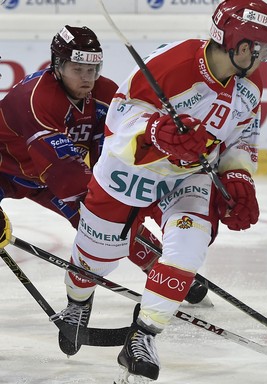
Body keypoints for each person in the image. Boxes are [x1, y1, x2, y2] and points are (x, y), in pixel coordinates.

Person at [53, 1, 267, 382]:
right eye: (258, 48)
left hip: (189, 176)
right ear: (237, 43)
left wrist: (239, 177)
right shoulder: (173, 64)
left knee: (188, 248)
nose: (262, 56)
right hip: (132, 169)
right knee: (94, 261)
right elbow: (120, 116)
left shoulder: (250, 86)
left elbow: (243, 136)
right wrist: (158, 131)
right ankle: (78, 302)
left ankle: (142, 337)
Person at [0, 25, 208, 357]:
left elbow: (109, 156)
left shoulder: (106, 94)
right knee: (100, 217)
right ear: (57, 65)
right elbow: (64, 171)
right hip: (10, 173)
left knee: (105, 218)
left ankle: (159, 268)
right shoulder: (37, 99)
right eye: (77, 69)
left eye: (93, 69)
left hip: (48, 177)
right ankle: (144, 266)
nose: (87, 78)